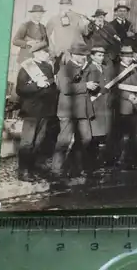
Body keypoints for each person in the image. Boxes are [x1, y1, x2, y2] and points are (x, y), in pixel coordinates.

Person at [51, 43, 95, 180]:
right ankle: (56, 171)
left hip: (82, 111)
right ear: (74, 55)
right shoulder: (64, 69)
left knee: (86, 138)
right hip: (68, 111)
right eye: (81, 55)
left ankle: (75, 167)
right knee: (64, 140)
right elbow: (65, 89)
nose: (84, 58)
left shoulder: (86, 68)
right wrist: (86, 85)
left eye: (85, 55)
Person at [15, 42, 58, 181]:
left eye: (47, 52)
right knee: (27, 142)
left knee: (38, 141)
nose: (47, 54)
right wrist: (36, 85)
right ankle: (23, 171)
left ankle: (31, 168)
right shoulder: (27, 68)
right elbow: (20, 89)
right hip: (32, 110)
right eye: (45, 52)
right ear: (37, 53)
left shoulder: (48, 67)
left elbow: (50, 87)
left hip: (45, 110)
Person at [114, 45, 137, 169]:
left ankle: (135, 159)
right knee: (124, 134)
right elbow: (115, 87)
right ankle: (121, 159)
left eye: (130, 56)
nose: (129, 58)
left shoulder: (133, 69)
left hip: (135, 105)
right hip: (124, 106)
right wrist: (129, 97)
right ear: (121, 56)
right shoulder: (117, 69)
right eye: (126, 56)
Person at [84, 46, 114, 171]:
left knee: (104, 134)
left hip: (105, 105)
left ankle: (100, 161)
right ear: (92, 56)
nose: (101, 58)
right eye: (98, 55)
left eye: (102, 55)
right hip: (95, 104)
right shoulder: (88, 69)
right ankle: (90, 164)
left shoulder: (106, 68)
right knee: (94, 135)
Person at [46, 0, 89, 68]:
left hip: (75, 53)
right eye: (63, 5)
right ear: (60, 6)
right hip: (60, 53)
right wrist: (52, 49)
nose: (65, 7)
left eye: (67, 5)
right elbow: (47, 35)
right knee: (60, 74)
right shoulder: (54, 19)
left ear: (70, 5)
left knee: (77, 74)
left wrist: (85, 24)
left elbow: (85, 32)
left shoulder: (78, 17)